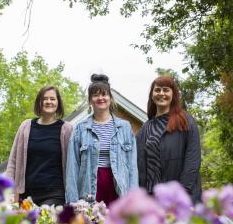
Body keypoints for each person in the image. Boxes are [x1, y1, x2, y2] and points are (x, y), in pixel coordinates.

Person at [66, 74, 138, 205]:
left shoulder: (125, 127)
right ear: (90, 100)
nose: (100, 98)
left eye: (104, 94)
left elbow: (132, 167)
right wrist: (72, 202)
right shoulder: (80, 129)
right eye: (95, 95)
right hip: (90, 187)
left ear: (110, 98)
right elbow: (72, 168)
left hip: (118, 186)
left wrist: (133, 198)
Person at [136, 75, 202, 203]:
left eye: (166, 90)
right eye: (157, 90)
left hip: (180, 198)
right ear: (152, 95)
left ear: (173, 94)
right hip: (153, 200)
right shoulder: (145, 128)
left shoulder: (185, 121)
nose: (161, 93)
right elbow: (139, 165)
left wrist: (182, 194)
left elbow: (192, 160)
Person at [5, 85, 73, 206]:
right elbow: (13, 161)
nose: (48, 102)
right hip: (27, 195)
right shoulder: (26, 127)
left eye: (52, 99)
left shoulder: (66, 129)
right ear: (39, 102)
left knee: (46, 222)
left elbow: (73, 164)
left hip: (55, 194)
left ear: (58, 103)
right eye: (45, 98)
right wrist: (8, 191)